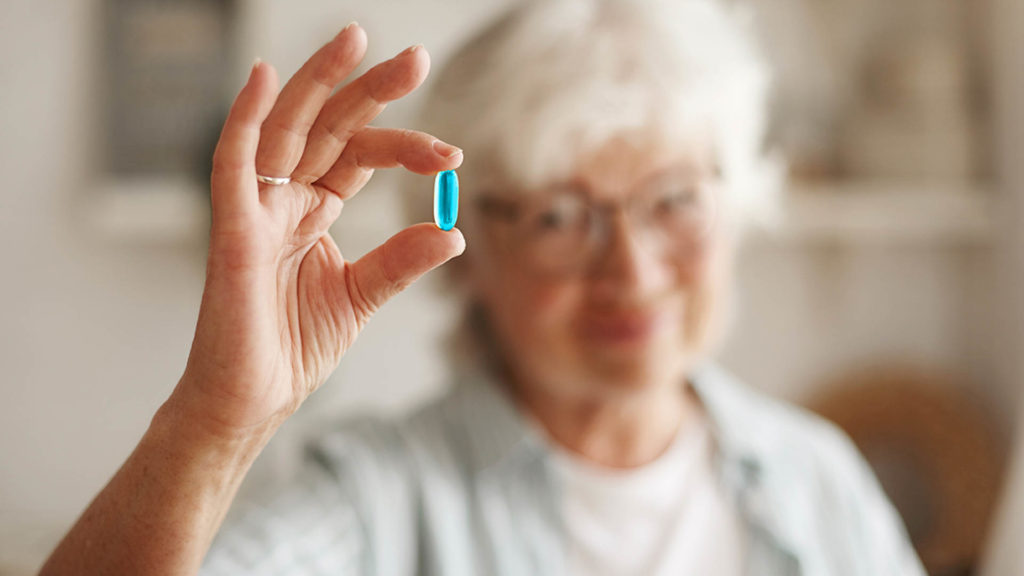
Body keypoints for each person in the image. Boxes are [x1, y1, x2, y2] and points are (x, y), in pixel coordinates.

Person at [40, 0, 925, 574]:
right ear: (474, 254)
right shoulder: (375, 500)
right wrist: (216, 421)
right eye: (555, 217)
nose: (633, 270)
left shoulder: (817, 481)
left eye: (674, 201)